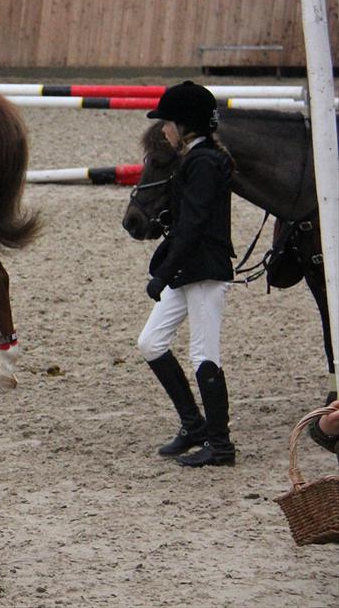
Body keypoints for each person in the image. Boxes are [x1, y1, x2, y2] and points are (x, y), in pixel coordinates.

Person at [137, 81, 237, 468]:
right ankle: (193, 425)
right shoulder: (195, 159)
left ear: (186, 126)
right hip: (187, 268)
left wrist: (162, 274)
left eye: (167, 123)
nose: (163, 130)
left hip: (205, 271)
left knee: (204, 355)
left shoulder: (205, 162)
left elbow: (194, 225)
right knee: (151, 342)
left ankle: (221, 444)